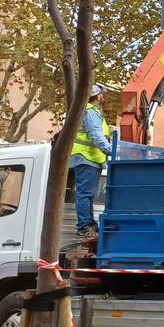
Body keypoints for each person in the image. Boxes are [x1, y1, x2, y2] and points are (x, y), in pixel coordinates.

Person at [69, 83, 111, 237]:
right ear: (98, 97)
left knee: (86, 194)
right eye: (102, 94)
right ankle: (85, 226)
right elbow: (97, 136)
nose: (103, 97)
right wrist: (111, 151)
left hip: (88, 158)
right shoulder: (91, 112)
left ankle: (88, 225)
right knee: (85, 194)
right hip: (86, 157)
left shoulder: (87, 110)